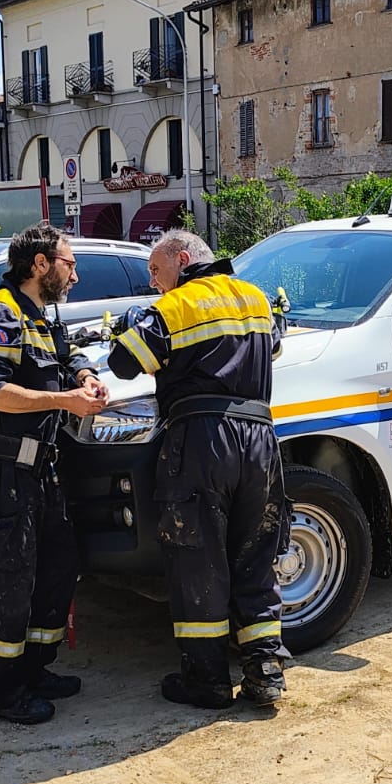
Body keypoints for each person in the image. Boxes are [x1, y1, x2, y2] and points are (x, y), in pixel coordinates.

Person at [107, 229, 287, 709]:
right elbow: (273, 346)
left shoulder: (175, 306)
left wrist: (131, 324)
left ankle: (207, 681)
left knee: (197, 557)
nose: (153, 281)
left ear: (183, 260)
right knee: (256, 555)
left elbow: (123, 363)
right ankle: (265, 670)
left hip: (201, 441)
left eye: (156, 270)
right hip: (259, 440)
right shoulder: (256, 299)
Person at [0, 223, 109, 724]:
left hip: (42, 470)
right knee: (6, 582)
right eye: (70, 264)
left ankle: (34, 669)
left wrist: (85, 378)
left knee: (55, 569)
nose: (75, 275)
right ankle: (1, 693)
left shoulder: (40, 317)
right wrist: (65, 400)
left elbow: (67, 358)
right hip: (5, 471)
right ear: (41, 264)